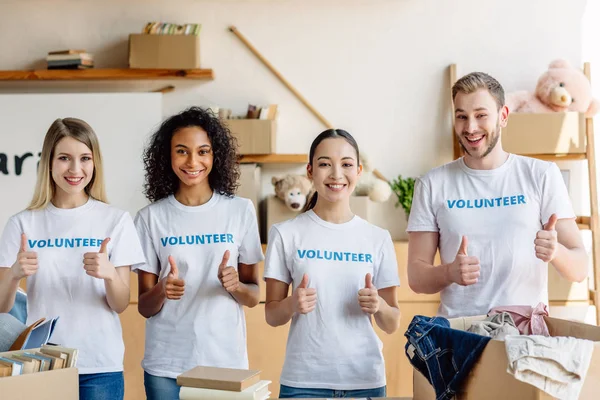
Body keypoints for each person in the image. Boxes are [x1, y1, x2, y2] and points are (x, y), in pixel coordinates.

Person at [407, 71, 588, 318]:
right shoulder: (432, 184)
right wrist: (449, 272)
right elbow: (417, 277)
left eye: (481, 115)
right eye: (462, 117)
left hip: (524, 339)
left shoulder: (541, 174)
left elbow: (580, 269)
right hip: (460, 339)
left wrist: (556, 252)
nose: (470, 128)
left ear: (503, 116)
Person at [0, 118, 145, 400]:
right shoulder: (22, 223)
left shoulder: (116, 220)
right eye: (64, 158)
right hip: (42, 363)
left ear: (95, 163)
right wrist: (15, 273)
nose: (75, 169)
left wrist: (110, 275)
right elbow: (2, 307)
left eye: (85, 158)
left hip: (100, 364)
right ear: (49, 162)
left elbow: (120, 303)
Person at [134, 107, 264, 400]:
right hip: (166, 367)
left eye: (203, 151)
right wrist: (162, 290)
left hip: (225, 363)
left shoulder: (240, 211)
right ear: (167, 157)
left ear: (215, 155)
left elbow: (254, 296)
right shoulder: (150, 218)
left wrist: (236, 286)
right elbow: (144, 306)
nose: (193, 161)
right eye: (182, 151)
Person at [264, 129, 401, 398]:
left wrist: (379, 305)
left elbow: (392, 322)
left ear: (359, 171)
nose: (336, 174)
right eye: (325, 164)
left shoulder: (377, 238)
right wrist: (293, 304)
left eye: (347, 164)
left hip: (365, 382)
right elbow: (271, 315)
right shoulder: (286, 234)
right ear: (310, 171)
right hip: (303, 384)